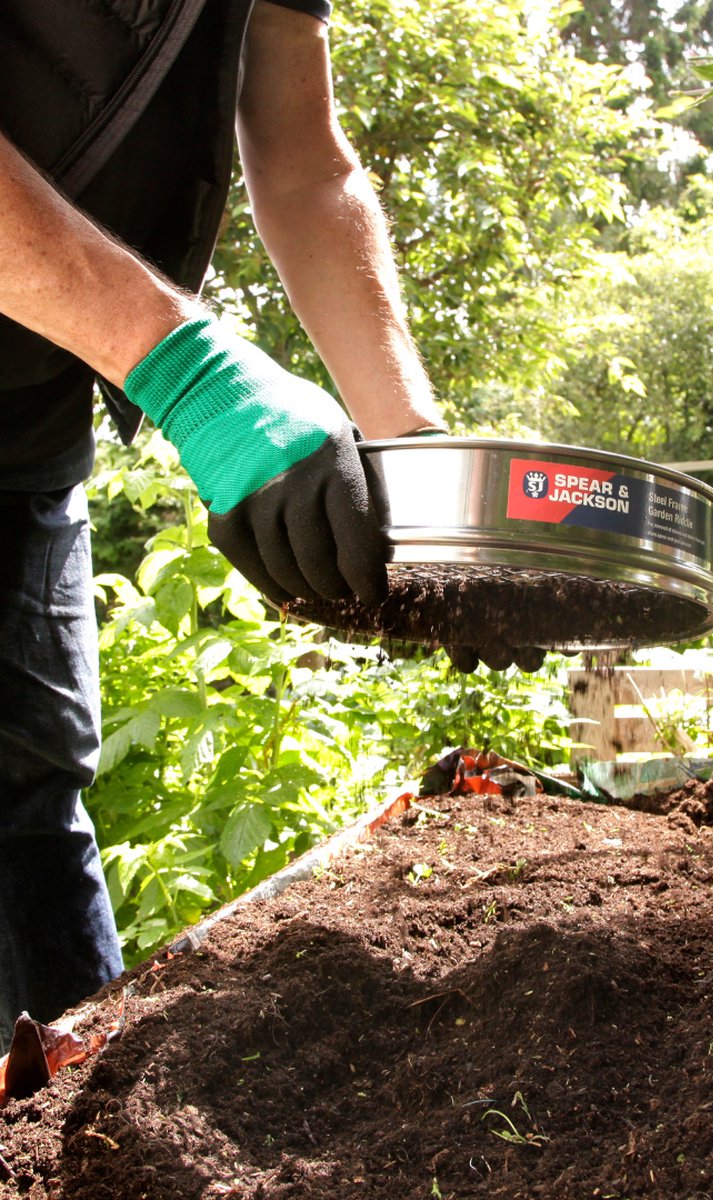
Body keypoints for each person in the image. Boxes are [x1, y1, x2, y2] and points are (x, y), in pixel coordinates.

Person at [0, 0, 452, 1046]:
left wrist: (413, 458)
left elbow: (303, 162)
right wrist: (191, 372)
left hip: (24, 420)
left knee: (26, 807)